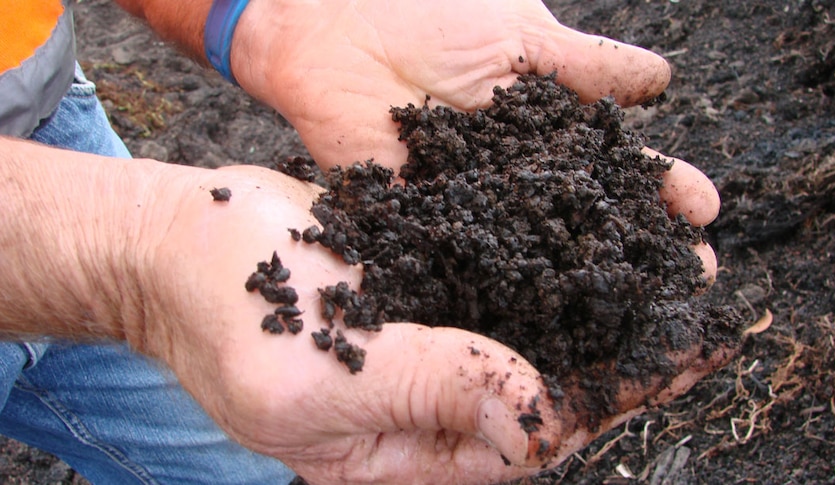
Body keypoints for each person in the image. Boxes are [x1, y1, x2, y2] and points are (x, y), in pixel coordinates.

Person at [0, 0, 731, 483]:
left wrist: (278, 17)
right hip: (90, 217)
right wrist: (137, 257)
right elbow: (141, 256)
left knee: (236, 464)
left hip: (38, 102)